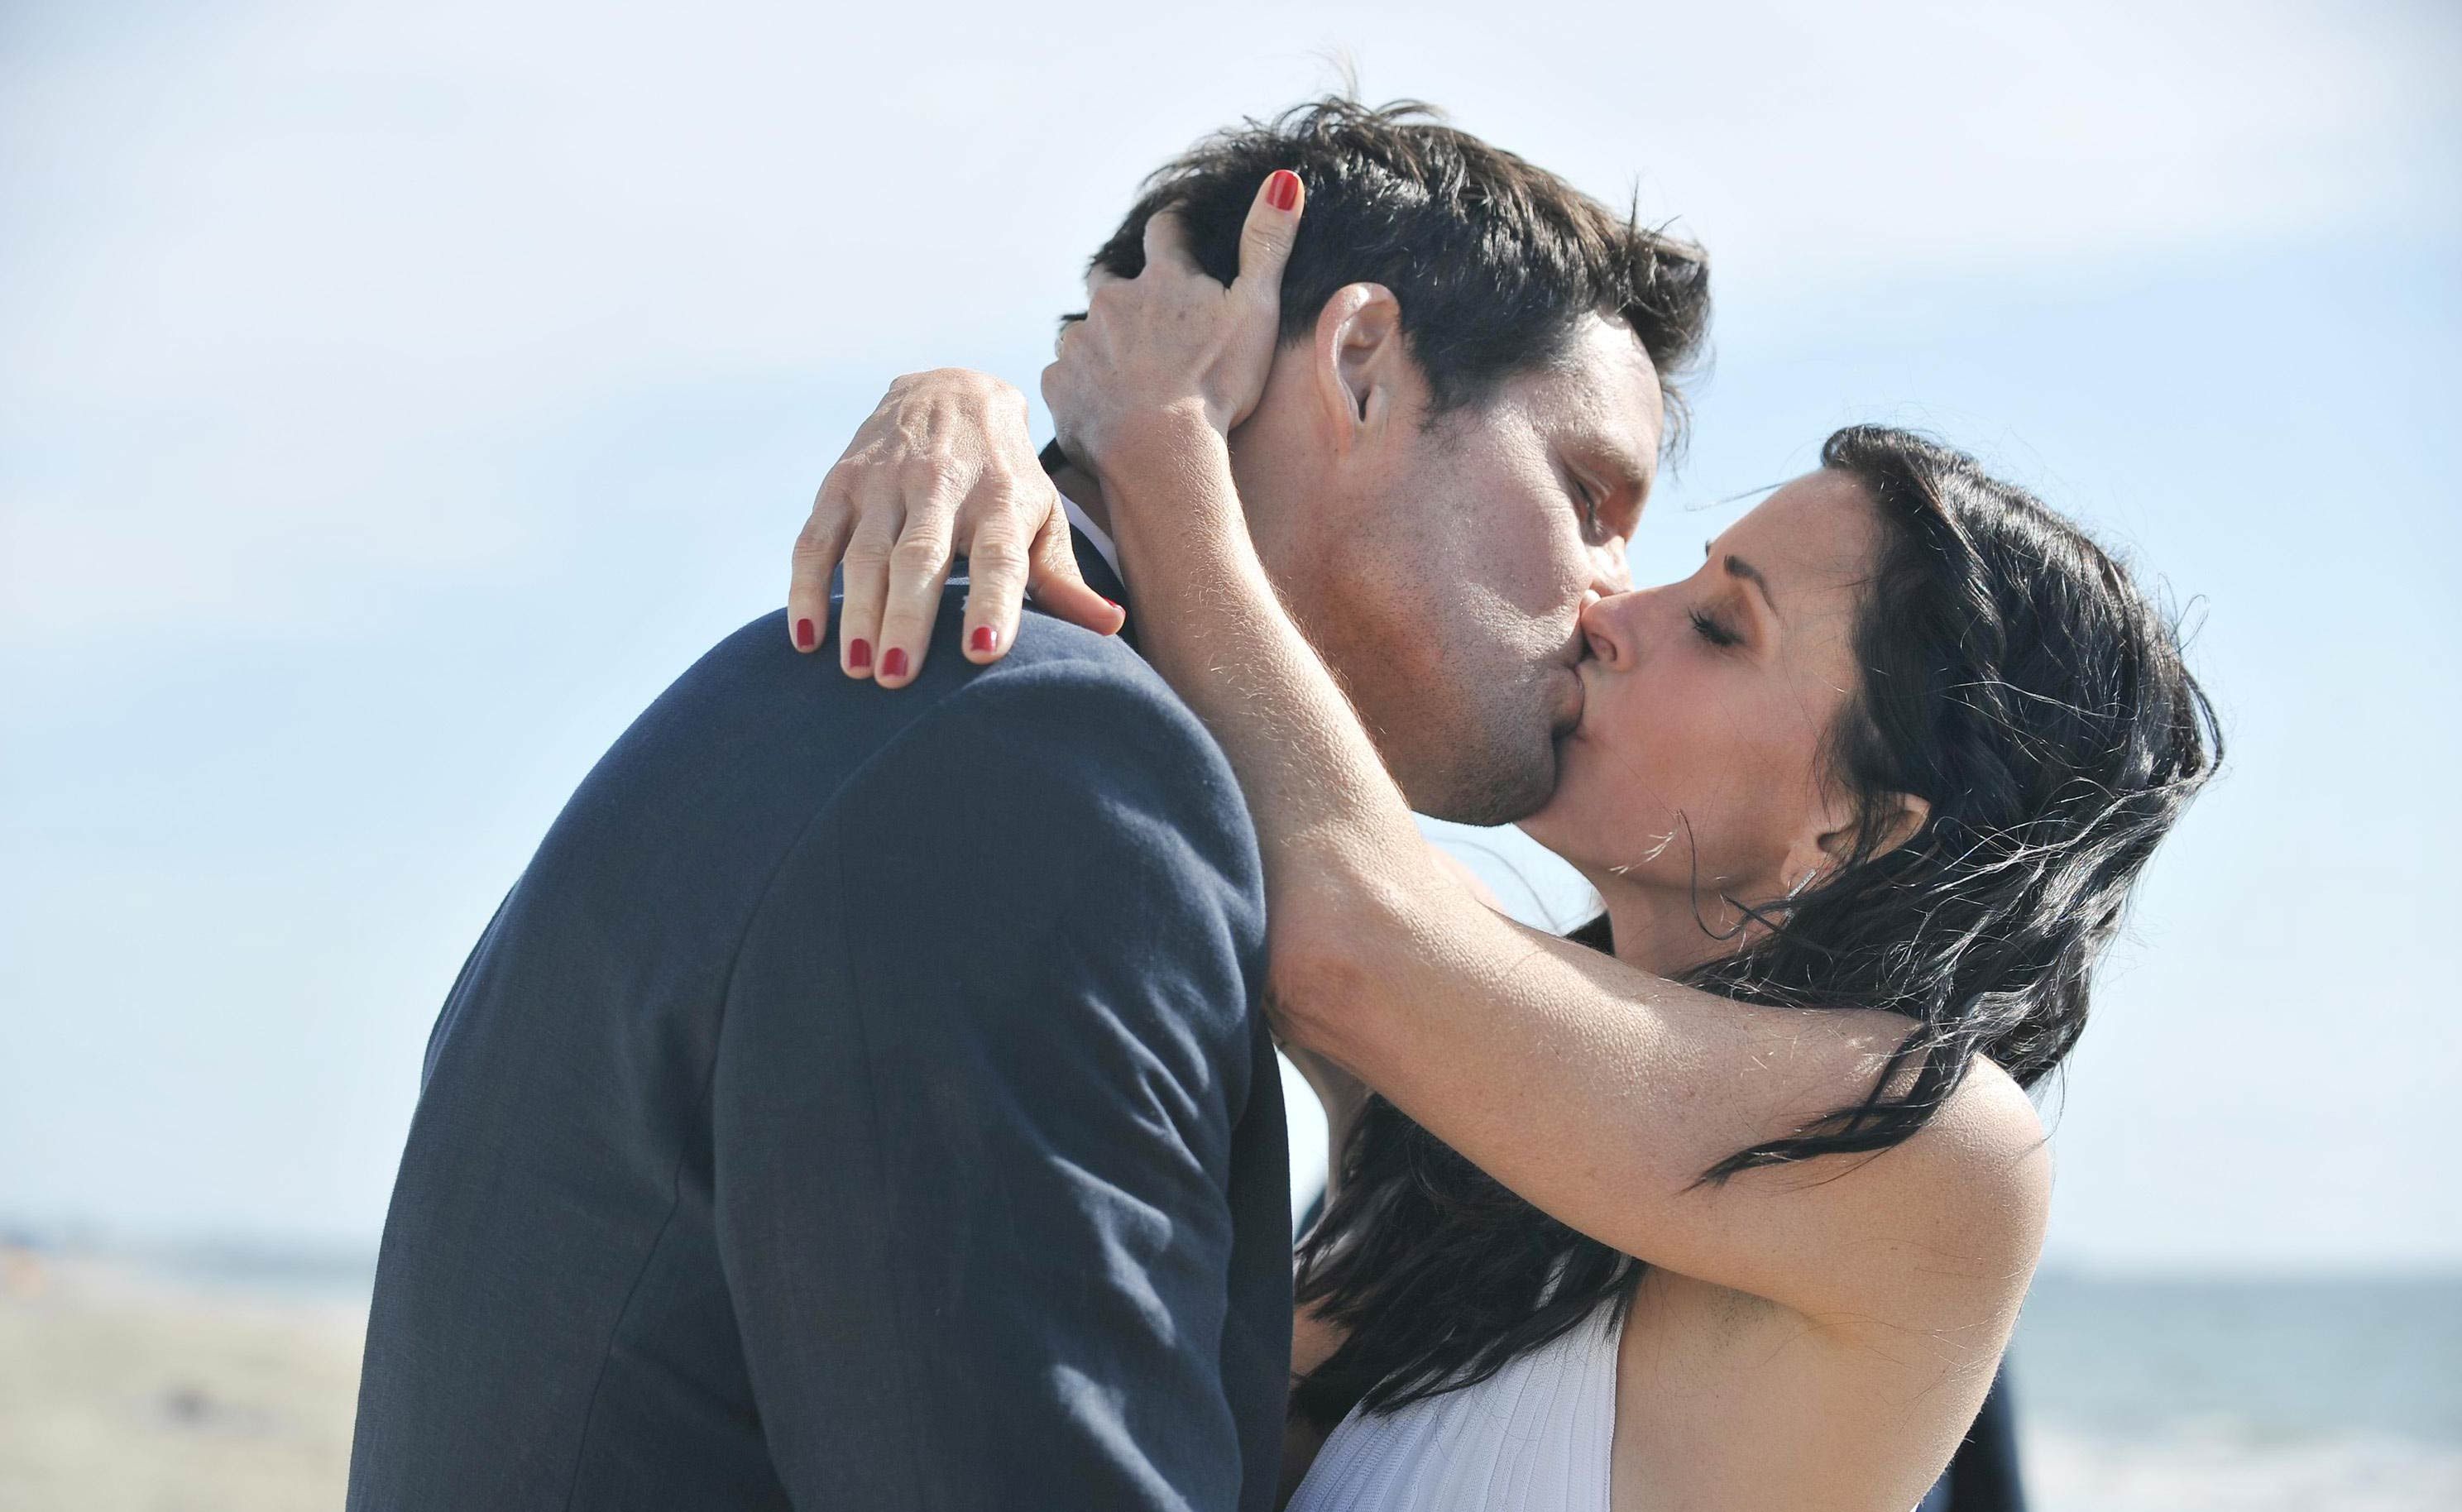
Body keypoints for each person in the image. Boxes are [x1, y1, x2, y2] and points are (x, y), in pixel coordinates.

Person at [347, 99, 1712, 1510]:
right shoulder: (1050, 763)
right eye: (1589, 497)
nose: (1612, 597)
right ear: (1360, 366)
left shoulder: (936, 707)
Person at [796, 170, 2215, 1505]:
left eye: (1721, 627)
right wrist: (965, 415)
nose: (1613, 612)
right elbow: (1276, 774)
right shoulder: (1464, 1124)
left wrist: (1159, 439)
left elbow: (1345, 931)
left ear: (1856, 823)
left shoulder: (1939, 1165)